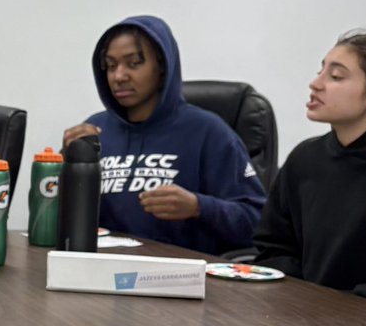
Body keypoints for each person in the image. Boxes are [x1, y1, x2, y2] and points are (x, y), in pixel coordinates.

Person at [62, 15, 265, 254]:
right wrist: (66, 166)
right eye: (111, 65)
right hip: (97, 272)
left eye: (134, 63)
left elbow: (258, 222)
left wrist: (198, 207)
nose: (119, 76)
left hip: (179, 278)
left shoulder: (209, 132)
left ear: (162, 67)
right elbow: (58, 219)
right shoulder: (94, 131)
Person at [254, 31, 366, 310]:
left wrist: (336, 307)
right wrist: (297, 300)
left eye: (336, 77)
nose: (315, 84)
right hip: (305, 324)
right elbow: (274, 248)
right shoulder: (306, 158)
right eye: (320, 71)